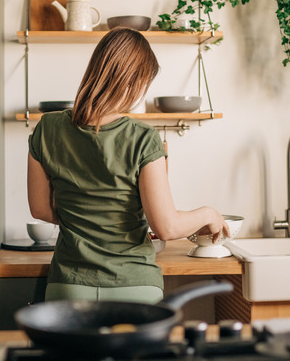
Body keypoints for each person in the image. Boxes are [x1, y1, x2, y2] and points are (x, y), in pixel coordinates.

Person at [27, 27, 230, 304]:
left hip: (69, 285)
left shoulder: (47, 128)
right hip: (134, 286)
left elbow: (40, 209)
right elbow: (167, 227)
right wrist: (209, 214)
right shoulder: (143, 139)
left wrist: (86, 215)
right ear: (133, 82)